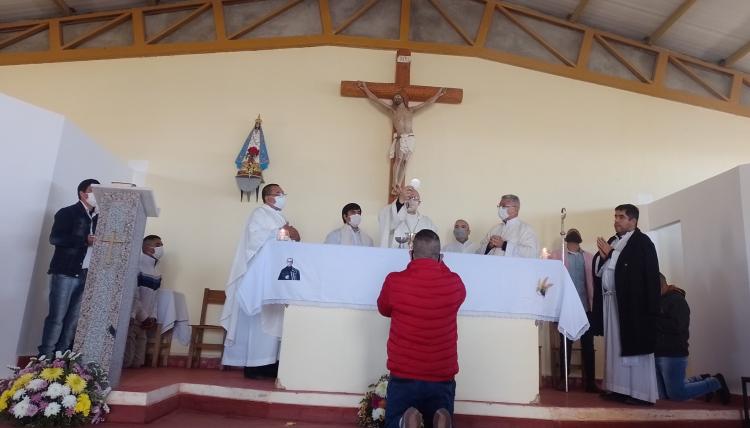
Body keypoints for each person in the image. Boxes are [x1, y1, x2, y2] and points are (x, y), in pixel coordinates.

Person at [377, 230, 465, 428]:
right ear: (440, 257)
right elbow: (458, 298)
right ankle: (441, 416)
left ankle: (402, 421)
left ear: (411, 253)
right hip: (441, 375)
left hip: (404, 374)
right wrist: (439, 266)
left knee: (394, 420)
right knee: (439, 410)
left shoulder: (394, 281)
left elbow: (383, 309)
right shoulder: (454, 283)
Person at [220, 183, 300, 379]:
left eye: (283, 192)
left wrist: (292, 235)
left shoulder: (280, 217)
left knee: (273, 319)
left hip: (275, 275)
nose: (282, 196)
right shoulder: (259, 213)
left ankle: (269, 362)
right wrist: (283, 231)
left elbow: (287, 240)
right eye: (278, 193)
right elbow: (255, 239)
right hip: (259, 275)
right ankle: (254, 365)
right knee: (258, 319)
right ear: (267, 197)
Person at [594, 204, 659, 405]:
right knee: (614, 346)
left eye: (621, 217)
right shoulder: (614, 240)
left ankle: (639, 393)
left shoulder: (642, 242)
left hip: (633, 305)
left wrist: (612, 255)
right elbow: (603, 268)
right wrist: (604, 257)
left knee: (632, 347)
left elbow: (640, 272)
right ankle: (617, 387)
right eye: (615, 216)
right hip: (612, 300)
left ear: (633, 221)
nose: (616, 220)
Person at [38, 178, 100, 358]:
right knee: (57, 317)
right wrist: (84, 240)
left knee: (73, 320)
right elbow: (56, 238)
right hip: (66, 271)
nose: (96, 195)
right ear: (82, 193)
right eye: (93, 190)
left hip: (86, 273)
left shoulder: (98, 218)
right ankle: (45, 357)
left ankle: (63, 357)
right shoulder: (68, 213)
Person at [357, 81, 446, 195]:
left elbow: (427, 103)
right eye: (395, 97)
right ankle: (395, 184)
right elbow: (375, 99)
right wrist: (365, 88)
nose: (397, 98)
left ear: (403, 99)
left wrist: (439, 94)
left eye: (399, 96)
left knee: (405, 162)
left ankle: (399, 183)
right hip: (401, 137)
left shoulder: (411, 110)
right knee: (398, 160)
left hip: (410, 138)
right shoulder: (392, 110)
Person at [655, 273, 730, 404]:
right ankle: (702, 378)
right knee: (664, 396)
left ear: (661, 285)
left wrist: (652, 321)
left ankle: (715, 382)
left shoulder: (677, 300)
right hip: (658, 352)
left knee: (677, 394)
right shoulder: (658, 301)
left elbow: (677, 326)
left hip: (673, 352)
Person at [549, 228, 597, 392]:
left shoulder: (589, 257)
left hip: (585, 305)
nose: (573, 244)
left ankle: (590, 381)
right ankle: (564, 379)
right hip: (566, 306)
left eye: (576, 242)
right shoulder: (557, 256)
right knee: (565, 344)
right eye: (571, 241)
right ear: (567, 242)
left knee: (588, 345)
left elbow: (593, 281)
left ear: (579, 242)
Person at [123, 235, 164, 369]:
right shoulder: (137, 266)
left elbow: (155, 297)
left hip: (145, 322)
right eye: (158, 245)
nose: (162, 248)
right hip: (134, 317)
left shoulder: (156, 272)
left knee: (138, 362)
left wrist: (152, 317)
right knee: (127, 360)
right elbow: (134, 295)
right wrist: (142, 316)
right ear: (147, 248)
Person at [378, 182, 437, 248]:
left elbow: (432, 244)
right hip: (395, 256)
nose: (411, 201)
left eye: (414, 199)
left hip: (419, 257)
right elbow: (387, 219)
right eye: (408, 198)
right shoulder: (392, 213)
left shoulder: (428, 223)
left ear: (419, 203)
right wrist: (399, 202)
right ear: (403, 199)